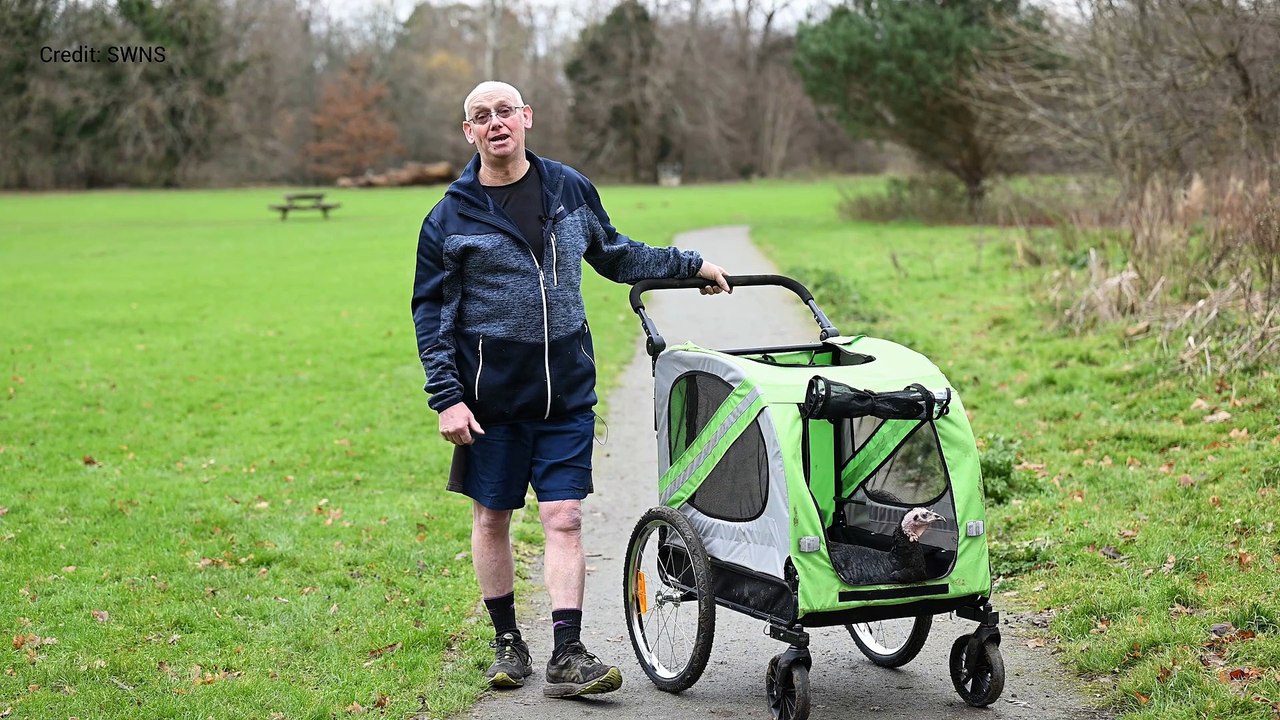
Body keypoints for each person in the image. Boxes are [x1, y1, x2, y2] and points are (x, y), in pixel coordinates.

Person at [411, 80, 731, 698]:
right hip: (489, 401)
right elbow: (432, 317)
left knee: (564, 517)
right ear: (468, 133)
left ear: (527, 117)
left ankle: (567, 651)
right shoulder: (448, 219)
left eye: (505, 111)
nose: (496, 123)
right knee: (492, 516)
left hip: (566, 395)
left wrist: (688, 266)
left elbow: (614, 254)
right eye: (482, 116)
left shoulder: (567, 188)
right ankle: (507, 641)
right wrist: (447, 397)